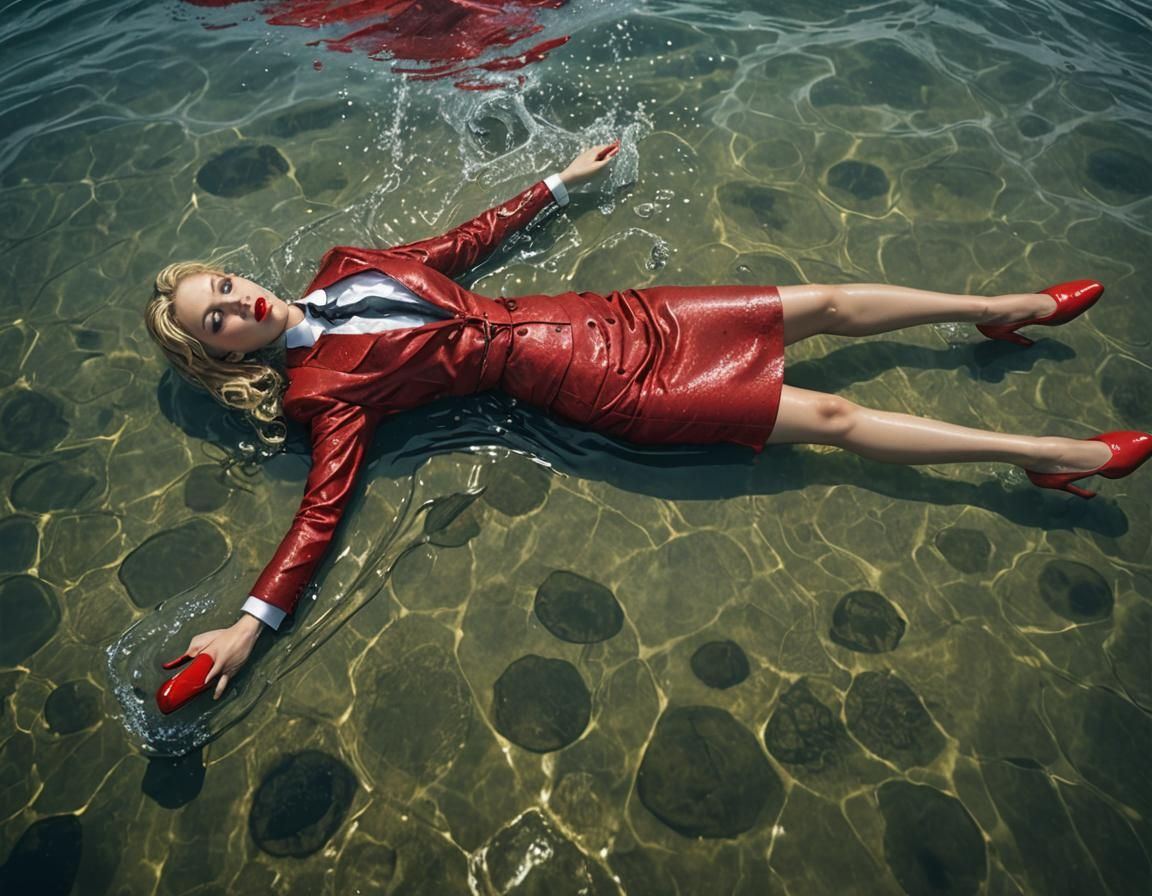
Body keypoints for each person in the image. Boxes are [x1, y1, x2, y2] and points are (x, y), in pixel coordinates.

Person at [145, 143, 1152, 706]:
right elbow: (322, 514)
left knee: (830, 300)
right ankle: (1049, 457)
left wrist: (557, 183)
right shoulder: (325, 394)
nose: (239, 305)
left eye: (226, 286)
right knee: (837, 415)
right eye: (219, 321)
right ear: (223, 356)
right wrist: (246, 625)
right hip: (609, 395)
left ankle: (1000, 305)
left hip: (617, 313)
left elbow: (457, 245)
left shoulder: (340, 265)